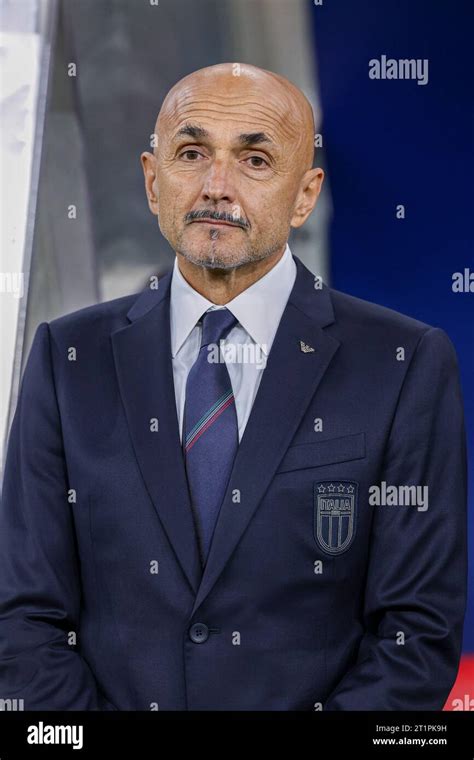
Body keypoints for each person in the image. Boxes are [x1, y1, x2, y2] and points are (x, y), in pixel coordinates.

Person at [0, 63, 467, 711]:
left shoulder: (404, 362)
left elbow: (417, 636)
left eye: (254, 159)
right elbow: (21, 617)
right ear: (152, 180)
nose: (216, 187)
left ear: (305, 195)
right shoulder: (66, 357)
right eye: (191, 154)